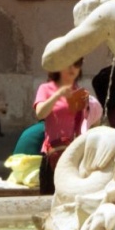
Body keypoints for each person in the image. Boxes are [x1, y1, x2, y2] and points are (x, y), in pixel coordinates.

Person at [33, 61, 101, 195]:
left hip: (73, 154)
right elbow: (40, 114)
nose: (72, 68)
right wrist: (58, 94)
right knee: (49, 199)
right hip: (51, 152)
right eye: (68, 63)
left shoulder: (79, 91)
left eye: (76, 64)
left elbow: (94, 125)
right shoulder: (46, 88)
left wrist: (89, 106)